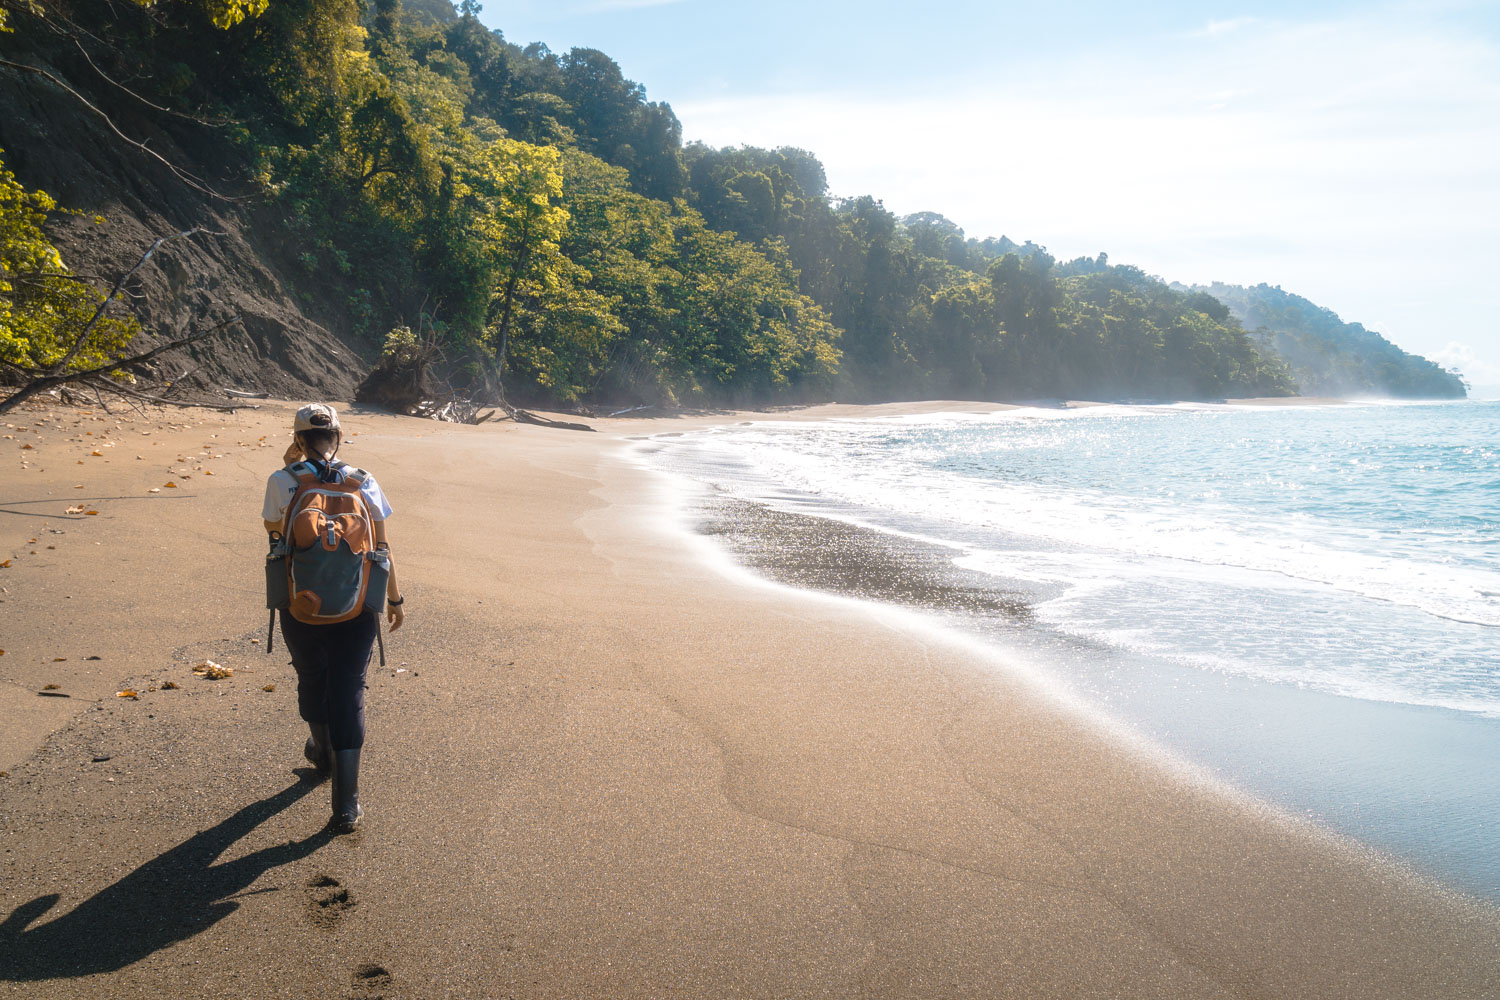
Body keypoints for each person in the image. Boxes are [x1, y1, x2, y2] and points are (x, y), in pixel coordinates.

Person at [261, 403, 404, 832]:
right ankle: (346, 804)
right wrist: (394, 599)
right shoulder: (364, 480)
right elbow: (381, 546)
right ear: (338, 436)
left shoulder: (282, 481)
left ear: (298, 438)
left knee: (311, 679)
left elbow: (275, 538)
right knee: (349, 692)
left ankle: (321, 754)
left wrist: (291, 466)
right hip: (358, 606)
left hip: (300, 605)